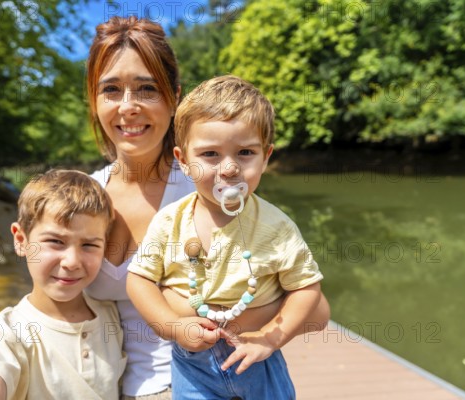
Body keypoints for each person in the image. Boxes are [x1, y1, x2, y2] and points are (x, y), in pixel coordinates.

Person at [84, 16, 330, 400]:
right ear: (94, 100)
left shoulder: (215, 188)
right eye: (111, 89)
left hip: (200, 373)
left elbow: (316, 310)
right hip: (102, 384)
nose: (128, 107)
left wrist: (220, 317)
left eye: (147, 89)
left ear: (173, 96)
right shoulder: (82, 197)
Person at [126, 75, 324, 399]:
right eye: (210, 155)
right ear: (183, 161)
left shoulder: (276, 226)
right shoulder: (169, 221)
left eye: (245, 152)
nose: (230, 168)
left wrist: (270, 338)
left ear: (266, 156)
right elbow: (139, 280)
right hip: (192, 363)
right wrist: (173, 326)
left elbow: (306, 287)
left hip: (258, 358)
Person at [0, 170, 125, 400]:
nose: (72, 262)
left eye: (89, 245)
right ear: (21, 240)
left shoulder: (114, 314)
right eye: (56, 242)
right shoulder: (2, 336)